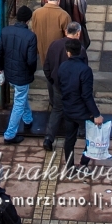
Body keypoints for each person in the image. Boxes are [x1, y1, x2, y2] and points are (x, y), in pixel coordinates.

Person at [56, 38, 103, 171]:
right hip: (82, 111)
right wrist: (96, 114)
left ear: (68, 53)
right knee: (92, 138)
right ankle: (83, 162)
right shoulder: (85, 70)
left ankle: (70, 167)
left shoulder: (62, 67)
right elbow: (86, 95)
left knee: (69, 139)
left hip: (68, 109)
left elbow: (60, 86)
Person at [0, 5, 37, 144]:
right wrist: (31, 71)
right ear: (28, 20)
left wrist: (1, 69)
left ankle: (28, 119)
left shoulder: (6, 31)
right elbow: (31, 60)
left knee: (20, 96)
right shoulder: (30, 36)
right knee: (19, 102)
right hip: (22, 75)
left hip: (9, 72)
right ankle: (10, 134)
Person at [41, 22, 84, 152]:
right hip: (74, 87)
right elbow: (84, 70)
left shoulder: (55, 44)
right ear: (78, 33)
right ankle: (81, 130)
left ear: (66, 31)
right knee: (78, 108)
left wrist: (52, 80)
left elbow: (46, 65)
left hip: (58, 85)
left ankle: (49, 138)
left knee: (57, 110)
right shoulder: (80, 50)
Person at [30, 0, 70, 67]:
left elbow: (33, 31)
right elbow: (68, 36)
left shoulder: (36, 13)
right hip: (58, 51)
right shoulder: (64, 15)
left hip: (41, 48)